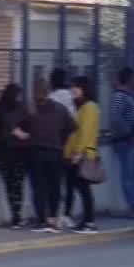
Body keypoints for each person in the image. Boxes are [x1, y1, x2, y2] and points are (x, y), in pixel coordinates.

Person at [28, 78, 76, 233]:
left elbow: (21, 128)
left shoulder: (31, 109)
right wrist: (60, 140)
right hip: (55, 151)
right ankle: (53, 219)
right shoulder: (60, 108)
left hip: (36, 152)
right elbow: (72, 127)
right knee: (54, 186)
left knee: (38, 187)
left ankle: (42, 220)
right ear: (49, 91)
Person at [63, 76, 101, 233]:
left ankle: (90, 222)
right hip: (76, 153)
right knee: (78, 187)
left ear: (84, 89)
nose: (72, 89)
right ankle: (86, 220)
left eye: (76, 87)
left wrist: (78, 153)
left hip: (83, 154)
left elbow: (85, 132)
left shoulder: (90, 107)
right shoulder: (82, 107)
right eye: (72, 86)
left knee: (83, 188)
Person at [0, 83, 32, 229]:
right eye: (19, 95)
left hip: (4, 152)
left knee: (10, 185)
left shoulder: (0, 109)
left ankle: (16, 216)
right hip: (18, 152)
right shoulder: (22, 109)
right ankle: (17, 216)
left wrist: (12, 132)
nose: (20, 98)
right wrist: (18, 133)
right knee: (17, 185)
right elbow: (29, 128)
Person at [109, 67, 134, 217]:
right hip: (127, 142)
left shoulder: (128, 96)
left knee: (132, 176)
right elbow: (115, 118)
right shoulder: (119, 96)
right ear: (129, 79)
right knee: (128, 177)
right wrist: (129, 132)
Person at [48, 68, 77, 227]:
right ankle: (67, 214)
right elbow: (75, 122)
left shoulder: (50, 97)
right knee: (70, 183)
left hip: (54, 144)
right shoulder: (71, 97)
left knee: (55, 183)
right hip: (71, 144)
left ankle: (55, 214)